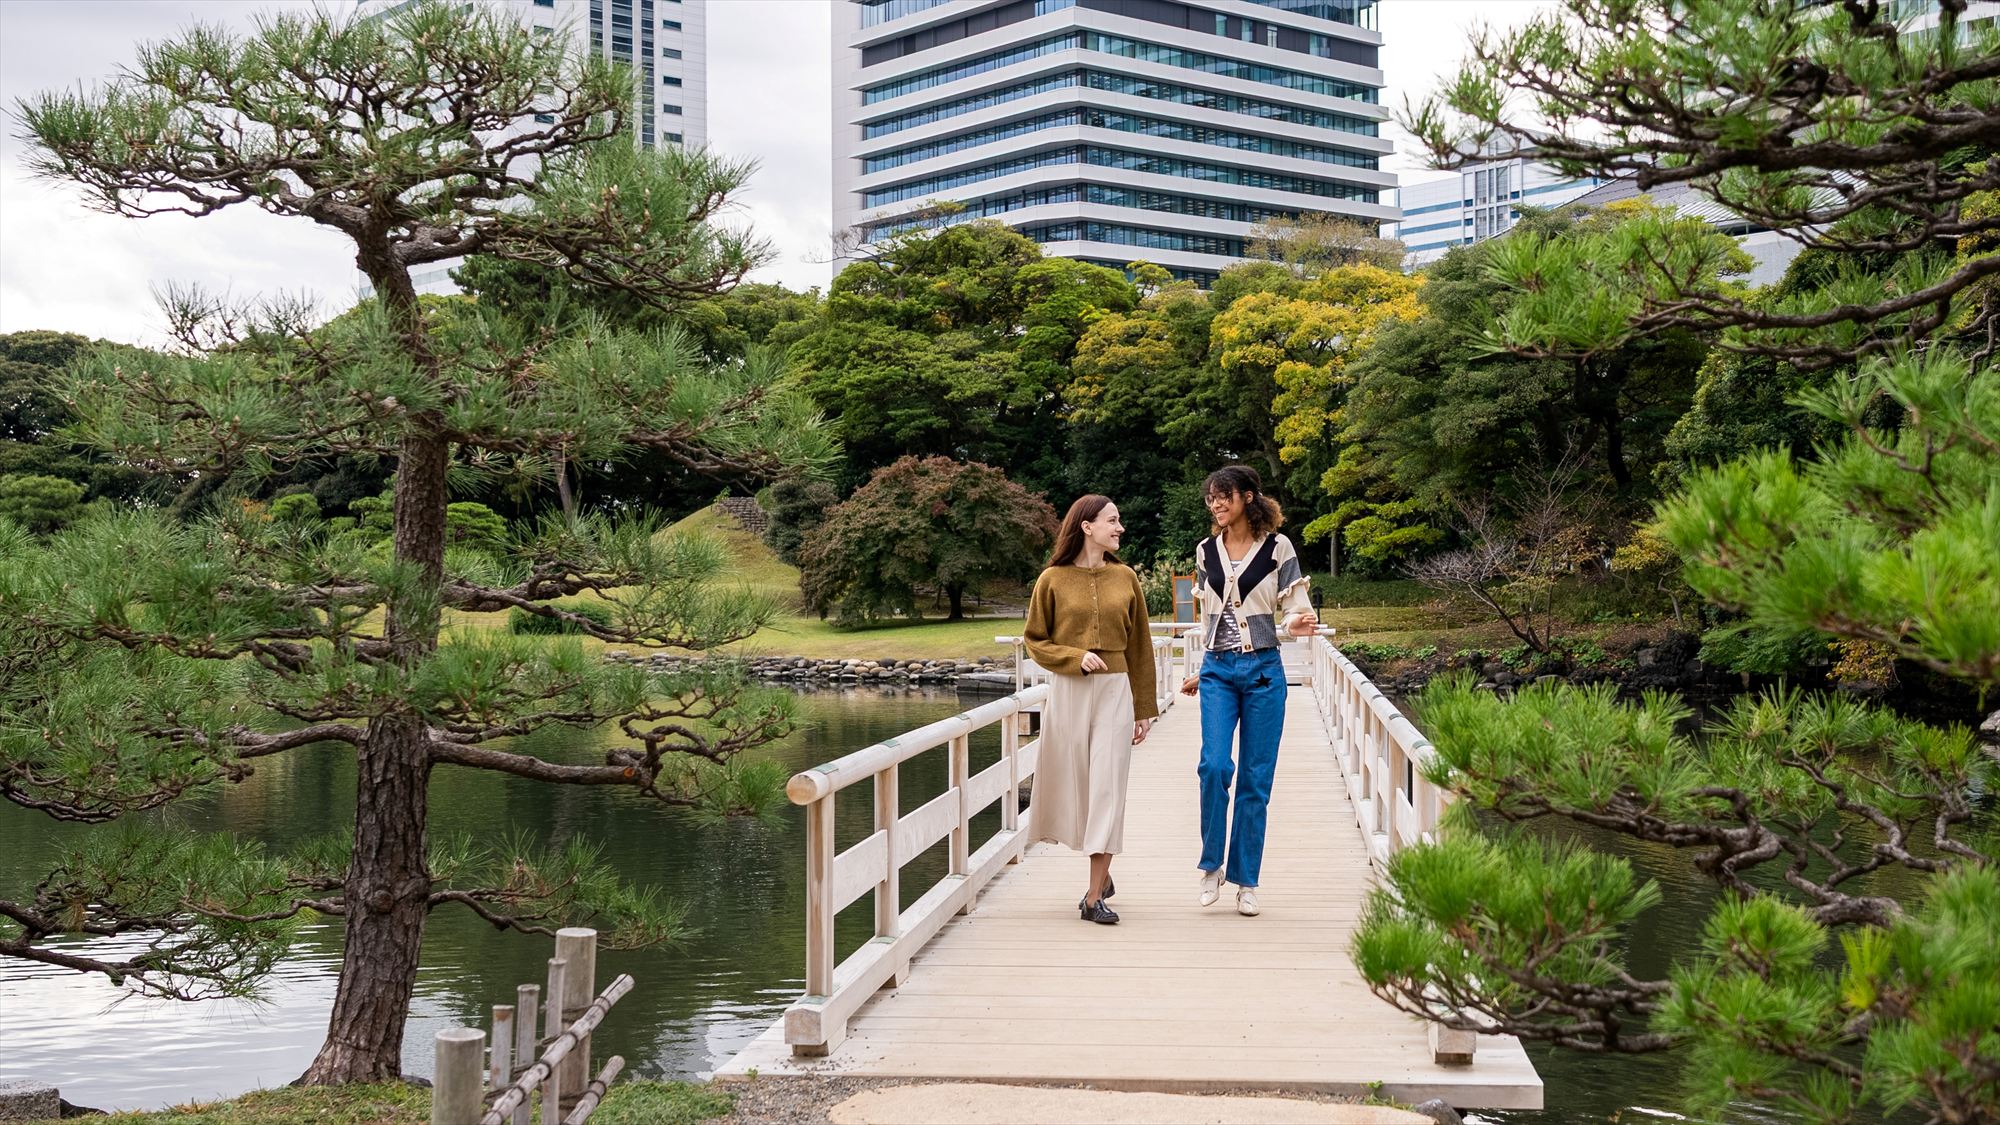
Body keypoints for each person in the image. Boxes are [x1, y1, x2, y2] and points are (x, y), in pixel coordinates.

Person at [1178, 466, 1318, 917]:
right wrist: (1201, 669)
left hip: (1263, 671)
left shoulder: (1279, 548)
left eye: (1224, 497)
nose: (1216, 505)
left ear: (1248, 497)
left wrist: (1298, 624)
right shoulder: (1205, 551)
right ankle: (1210, 865)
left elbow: (1295, 609)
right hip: (1218, 670)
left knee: (1256, 780)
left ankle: (1246, 880)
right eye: (1211, 499)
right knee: (1214, 766)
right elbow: (1208, 619)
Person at [1023, 495, 1158, 925]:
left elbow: (1140, 647)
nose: (1119, 528)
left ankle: (1094, 895)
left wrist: (1144, 707)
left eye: (1119, 521)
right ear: (1087, 526)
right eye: (1112, 520)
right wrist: (1073, 657)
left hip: (1115, 692)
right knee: (1074, 787)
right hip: (1069, 692)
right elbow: (1035, 640)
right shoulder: (1052, 579)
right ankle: (1102, 872)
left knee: (1107, 788)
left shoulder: (1127, 578)